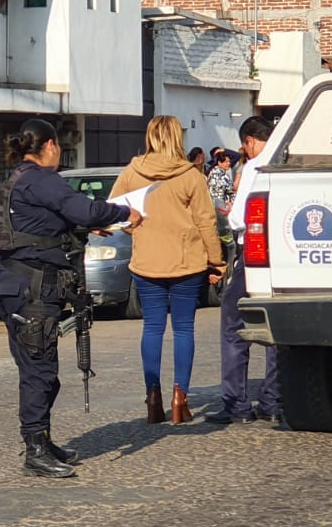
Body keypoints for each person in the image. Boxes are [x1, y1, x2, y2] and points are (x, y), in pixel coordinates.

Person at [0, 118, 138, 478]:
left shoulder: (14, 183)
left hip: (17, 285)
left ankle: (42, 439)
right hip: (33, 289)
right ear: (51, 146)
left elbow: (43, 224)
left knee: (38, 370)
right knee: (39, 371)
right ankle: (35, 450)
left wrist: (84, 227)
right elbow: (85, 208)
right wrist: (125, 213)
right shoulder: (41, 179)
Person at [113, 116, 225, 425]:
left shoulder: (132, 172)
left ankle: (153, 398)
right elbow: (206, 221)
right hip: (186, 262)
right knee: (184, 329)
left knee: (152, 328)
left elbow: (116, 212)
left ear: (149, 136)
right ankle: (180, 398)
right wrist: (216, 262)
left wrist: (137, 231)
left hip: (147, 261)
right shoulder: (191, 175)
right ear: (178, 137)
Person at [207, 116, 281, 425]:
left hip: (253, 252)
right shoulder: (285, 157)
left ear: (249, 141)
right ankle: (274, 399)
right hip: (285, 255)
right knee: (278, 329)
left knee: (234, 325)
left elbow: (238, 218)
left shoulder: (254, 166)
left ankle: (236, 403)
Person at [207, 149, 236, 221]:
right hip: (221, 205)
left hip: (218, 204)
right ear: (219, 162)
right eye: (226, 162)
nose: (229, 163)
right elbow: (227, 191)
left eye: (229, 161)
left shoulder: (215, 172)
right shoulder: (219, 174)